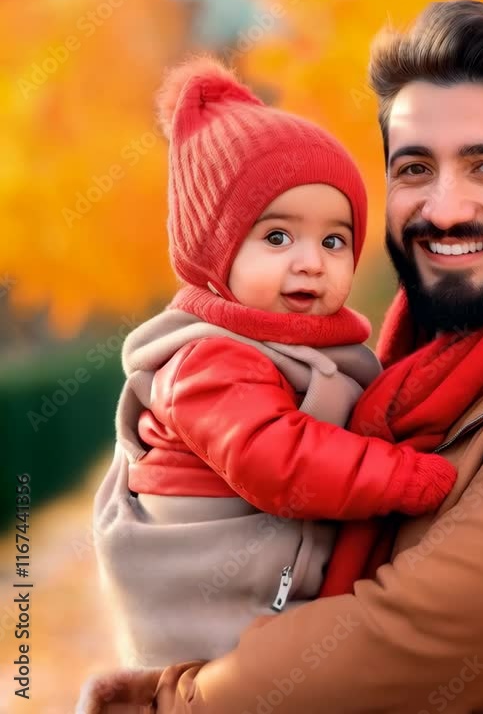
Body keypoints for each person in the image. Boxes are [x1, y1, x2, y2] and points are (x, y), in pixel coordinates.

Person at [78, 0, 483, 714]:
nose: (445, 208)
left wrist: (171, 701)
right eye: (415, 168)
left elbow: (407, 644)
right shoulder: (397, 368)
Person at [84, 56, 455, 678]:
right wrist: (410, 477)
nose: (311, 262)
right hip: (205, 609)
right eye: (277, 237)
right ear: (215, 253)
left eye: (334, 240)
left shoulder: (314, 350)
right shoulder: (209, 358)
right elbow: (278, 459)